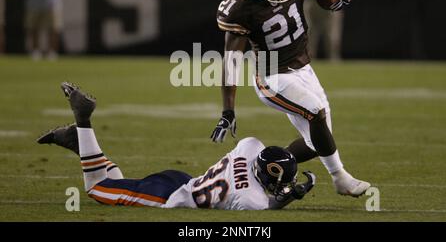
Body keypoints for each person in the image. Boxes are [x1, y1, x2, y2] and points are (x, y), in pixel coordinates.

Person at [210, 0, 370, 197]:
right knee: (315, 111)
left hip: (304, 69)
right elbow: (231, 62)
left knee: (317, 142)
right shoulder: (241, 8)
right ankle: (341, 178)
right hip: (273, 77)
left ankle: (261, 170)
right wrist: (227, 110)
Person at [37, 82, 315, 210]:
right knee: (97, 189)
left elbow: (264, 175)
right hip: (170, 197)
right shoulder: (251, 200)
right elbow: (270, 205)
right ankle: (83, 121)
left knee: (118, 183)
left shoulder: (250, 146)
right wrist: (292, 194)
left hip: (178, 181)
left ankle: (79, 143)